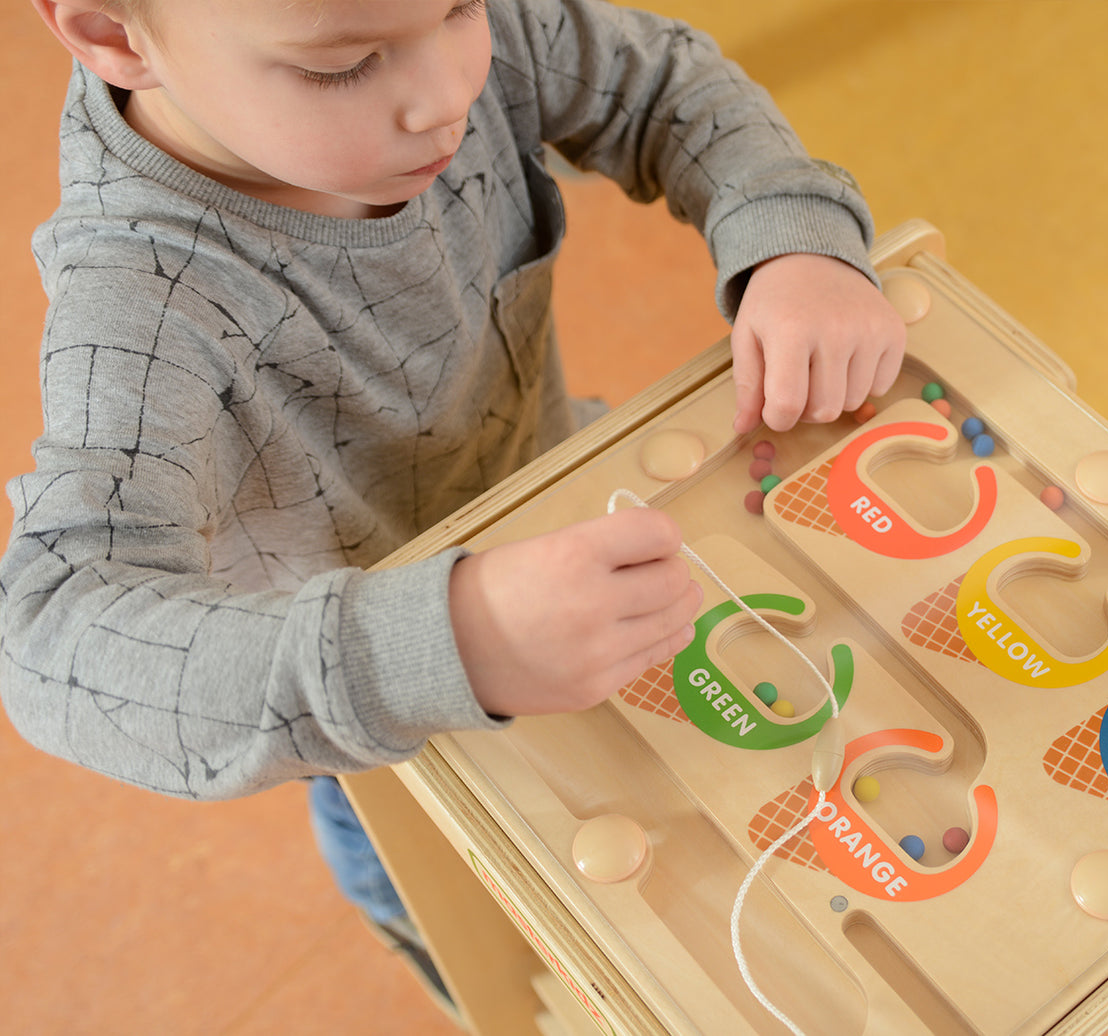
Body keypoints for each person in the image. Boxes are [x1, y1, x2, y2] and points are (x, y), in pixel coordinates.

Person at [2, 0, 905, 1015]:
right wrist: (448, 641)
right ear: (113, 34)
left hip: (544, 509)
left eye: (461, 8)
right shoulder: (141, 299)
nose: (447, 94)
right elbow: (48, 636)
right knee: (417, 859)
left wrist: (792, 239)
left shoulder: (431, 31)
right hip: (387, 709)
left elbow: (663, 84)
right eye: (343, 66)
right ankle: (407, 917)